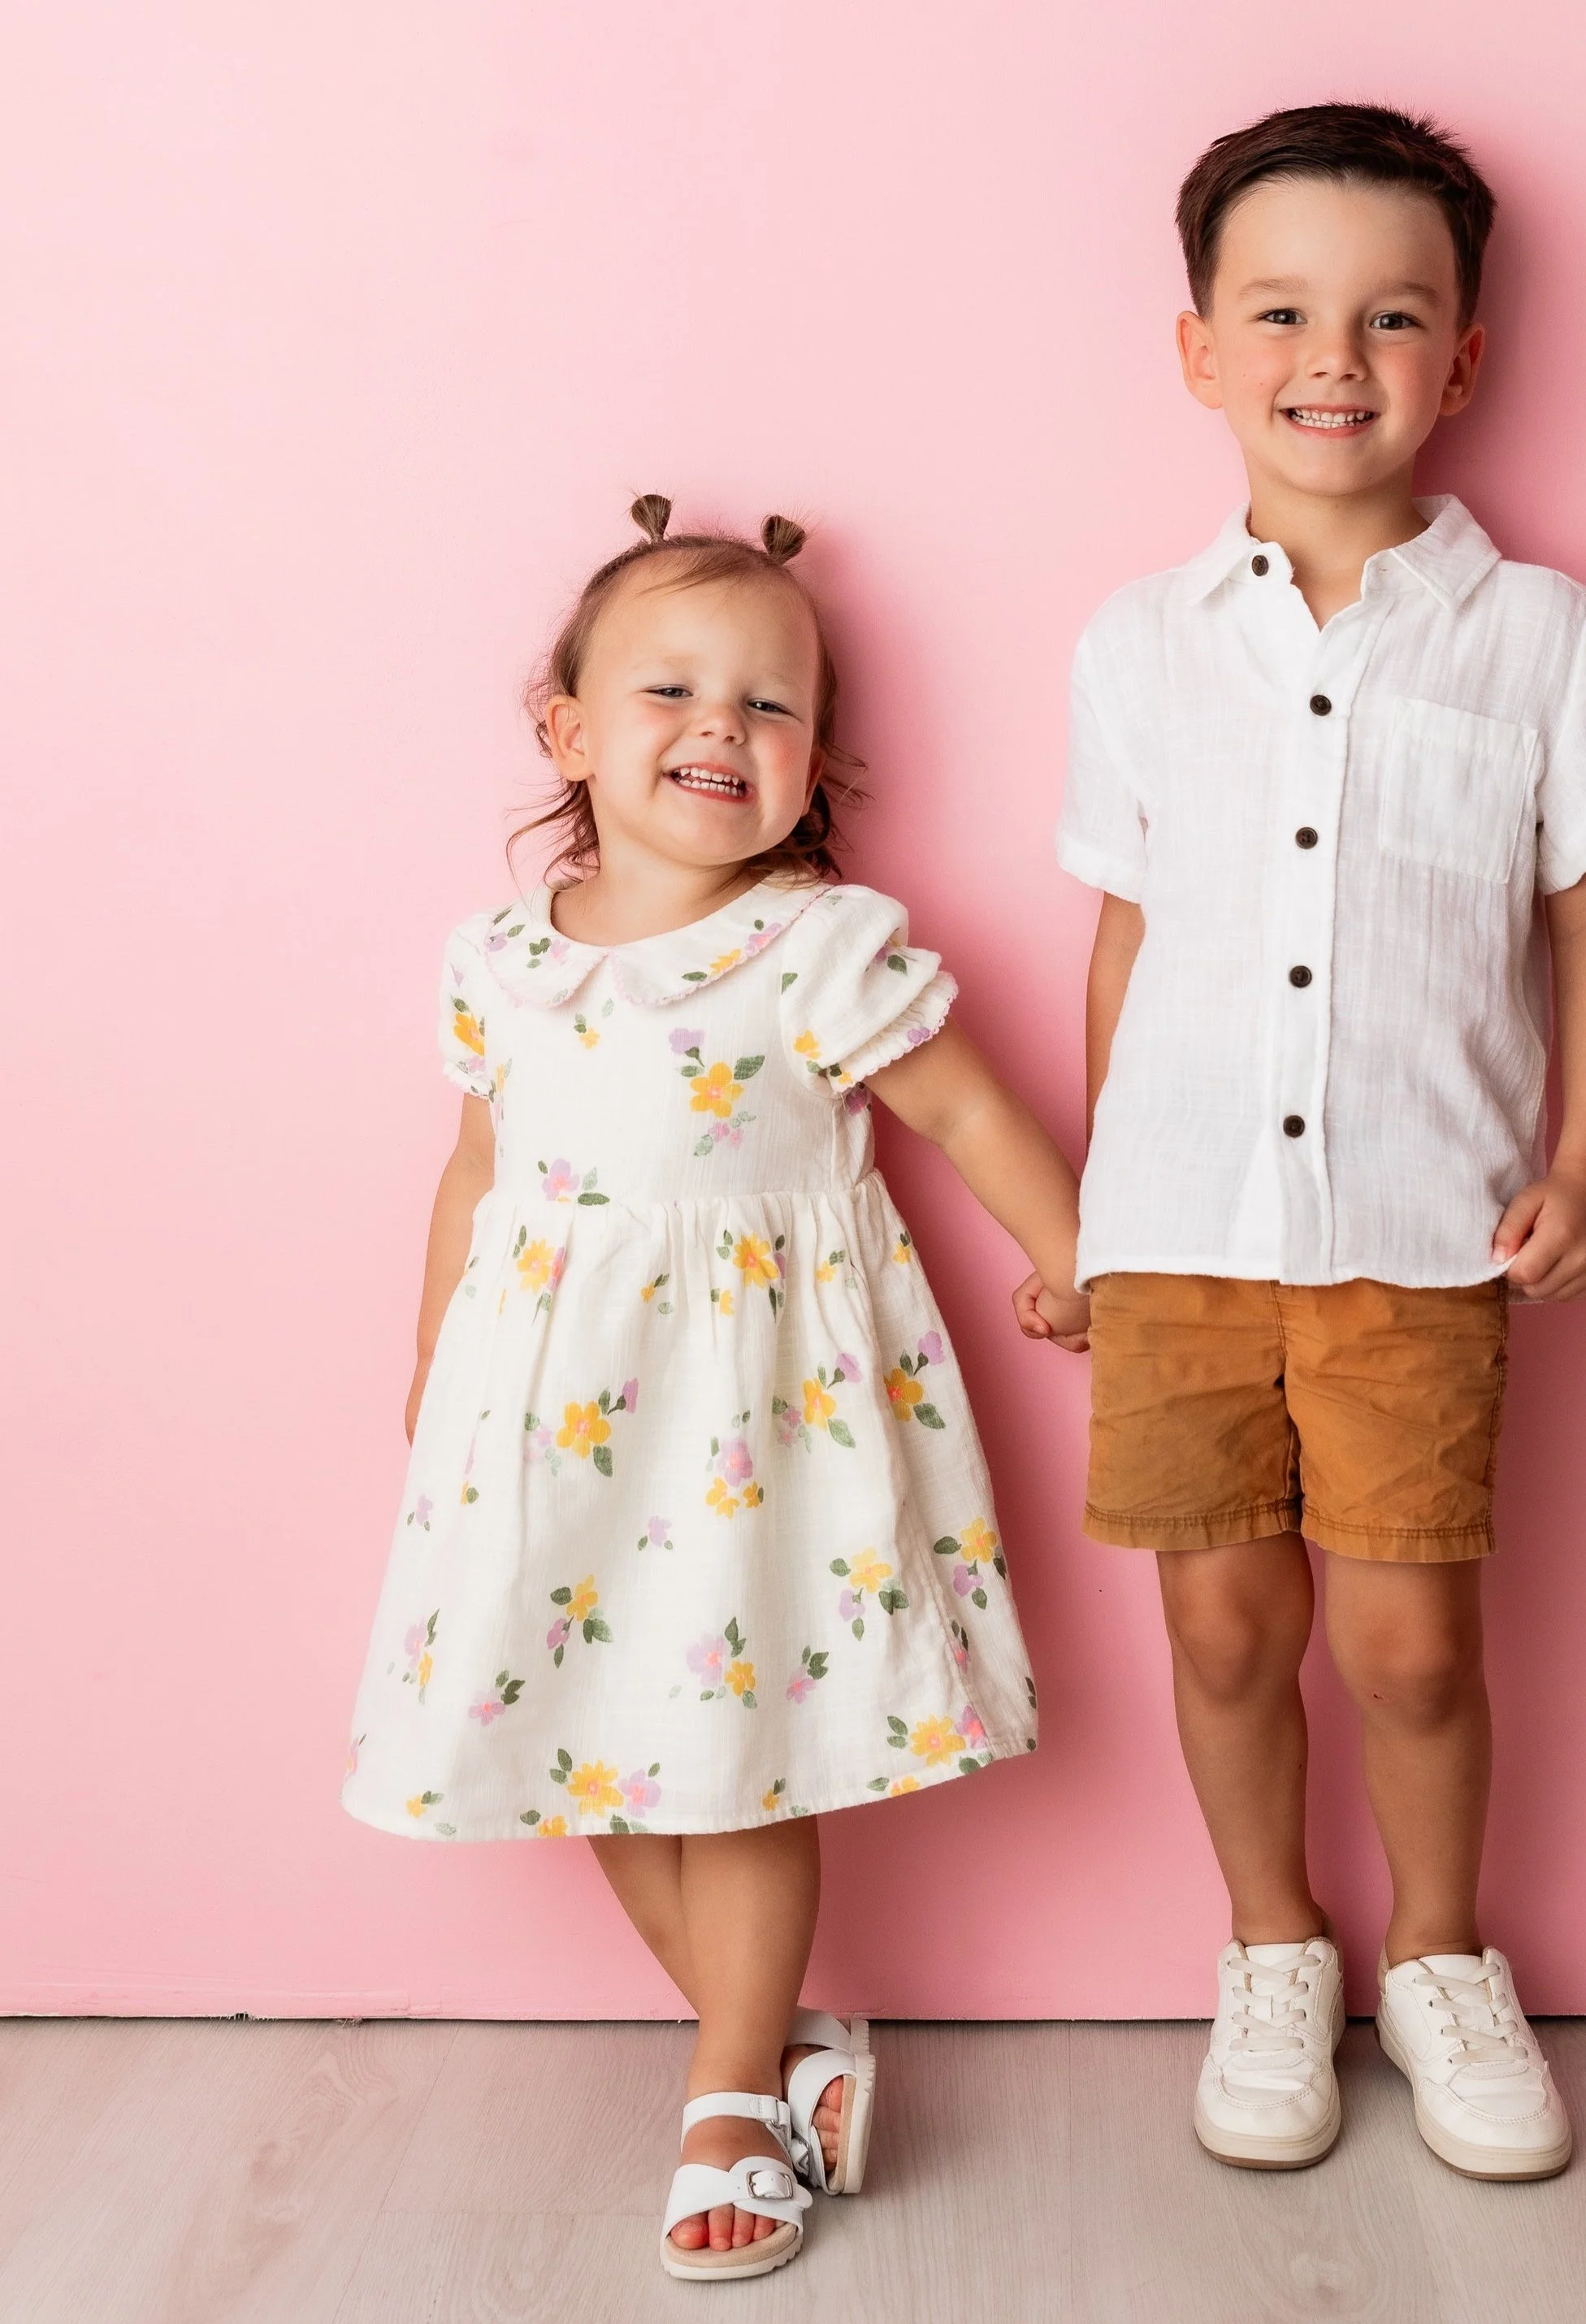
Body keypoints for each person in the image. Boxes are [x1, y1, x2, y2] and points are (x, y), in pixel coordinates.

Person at [343, 499, 1089, 2279]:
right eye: (670, 689)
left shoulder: (815, 946)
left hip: (754, 1431)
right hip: (547, 1429)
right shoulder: (503, 962)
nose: (720, 728)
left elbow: (968, 1112)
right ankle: (786, 2051)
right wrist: (436, 1355)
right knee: (587, 1748)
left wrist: (1079, 1257)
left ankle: (729, 2095)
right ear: (568, 731)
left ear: (816, 759)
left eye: (769, 704)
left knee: (735, 1767)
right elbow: (474, 1169)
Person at [1038, 104, 1586, 2181]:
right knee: (1221, 1627)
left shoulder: (1541, 631)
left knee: (1408, 1641)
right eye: (1280, 311)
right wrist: (1097, 1206)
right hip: (1179, 1226)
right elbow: (1125, 929)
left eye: (1391, 316)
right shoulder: (1136, 640)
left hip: (1417, 1227)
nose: (1334, 356)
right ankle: (1269, 1942)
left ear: (1460, 358)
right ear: (1198, 349)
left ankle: (1441, 1954)